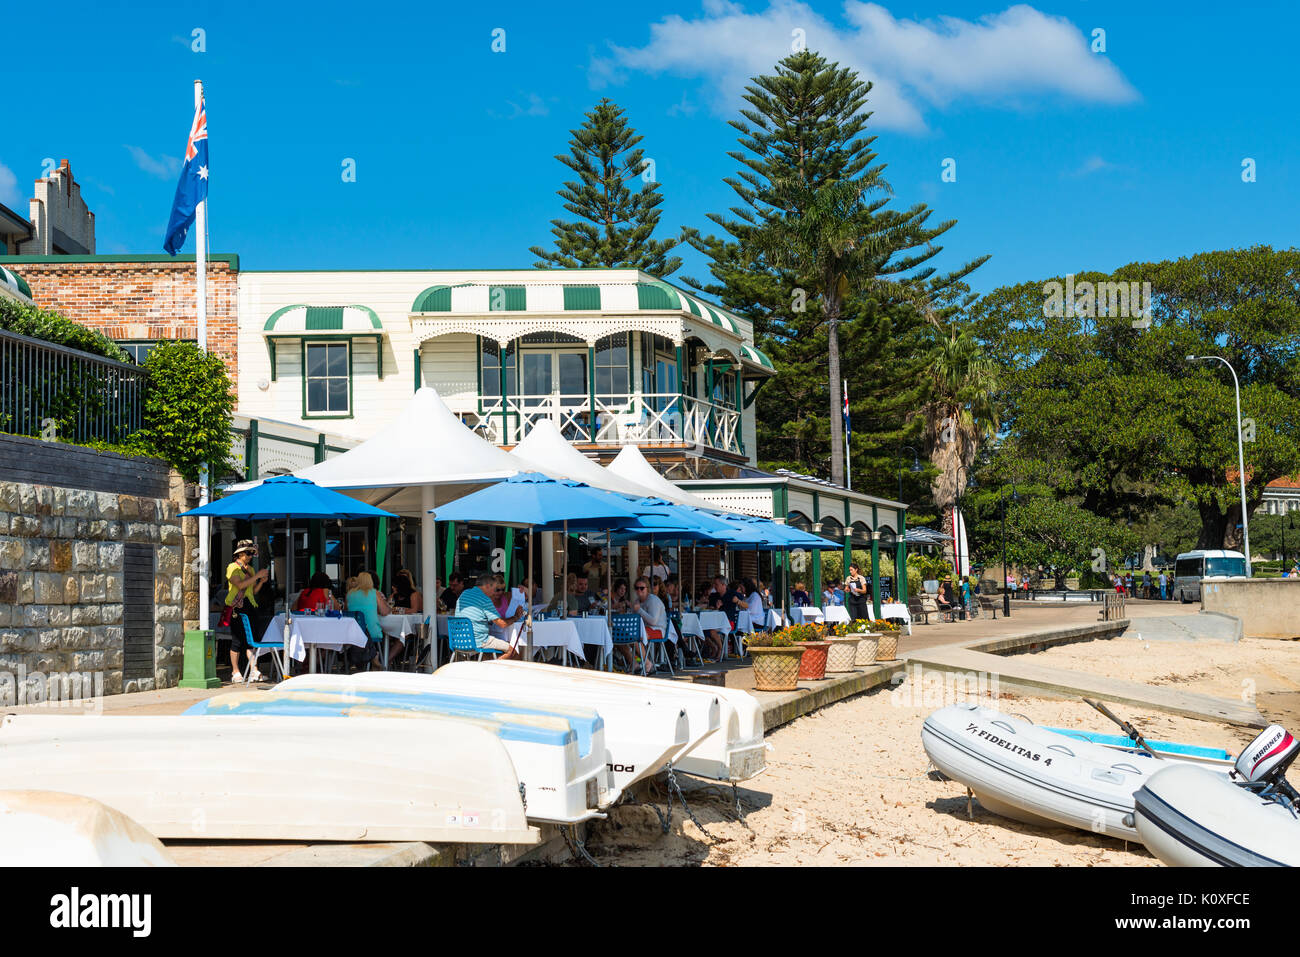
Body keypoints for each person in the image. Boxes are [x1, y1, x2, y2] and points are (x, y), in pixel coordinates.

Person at [225, 540, 272, 683]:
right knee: (237, 641)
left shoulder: (250, 570)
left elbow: (253, 591)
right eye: (248, 552)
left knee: (251, 641)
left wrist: (261, 582)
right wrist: (257, 576)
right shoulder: (232, 567)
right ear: (239, 554)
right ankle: (235, 671)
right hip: (237, 607)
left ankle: (253, 669)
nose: (251, 555)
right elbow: (239, 585)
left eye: (252, 552)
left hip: (250, 606)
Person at [456, 572, 525, 660]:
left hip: (459, 640)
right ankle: (491, 667)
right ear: (488, 586)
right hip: (478, 641)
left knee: (491, 651)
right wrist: (515, 617)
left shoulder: (464, 594)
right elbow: (502, 624)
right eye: (494, 589)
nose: (493, 593)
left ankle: (488, 664)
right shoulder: (485, 599)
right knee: (514, 651)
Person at [345, 571, 391, 671]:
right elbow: (384, 612)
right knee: (372, 632)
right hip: (372, 632)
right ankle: (374, 656)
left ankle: (371, 657)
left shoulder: (349, 594)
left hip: (353, 633)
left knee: (363, 634)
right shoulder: (375, 593)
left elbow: (347, 611)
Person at [627, 576, 668, 673]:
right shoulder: (637, 601)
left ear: (647, 589)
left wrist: (639, 610)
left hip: (657, 629)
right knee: (623, 636)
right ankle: (634, 663)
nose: (639, 590)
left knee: (634, 637)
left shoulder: (653, 600)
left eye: (642, 588)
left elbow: (653, 621)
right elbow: (634, 619)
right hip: (643, 629)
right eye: (637, 588)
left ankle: (647, 663)